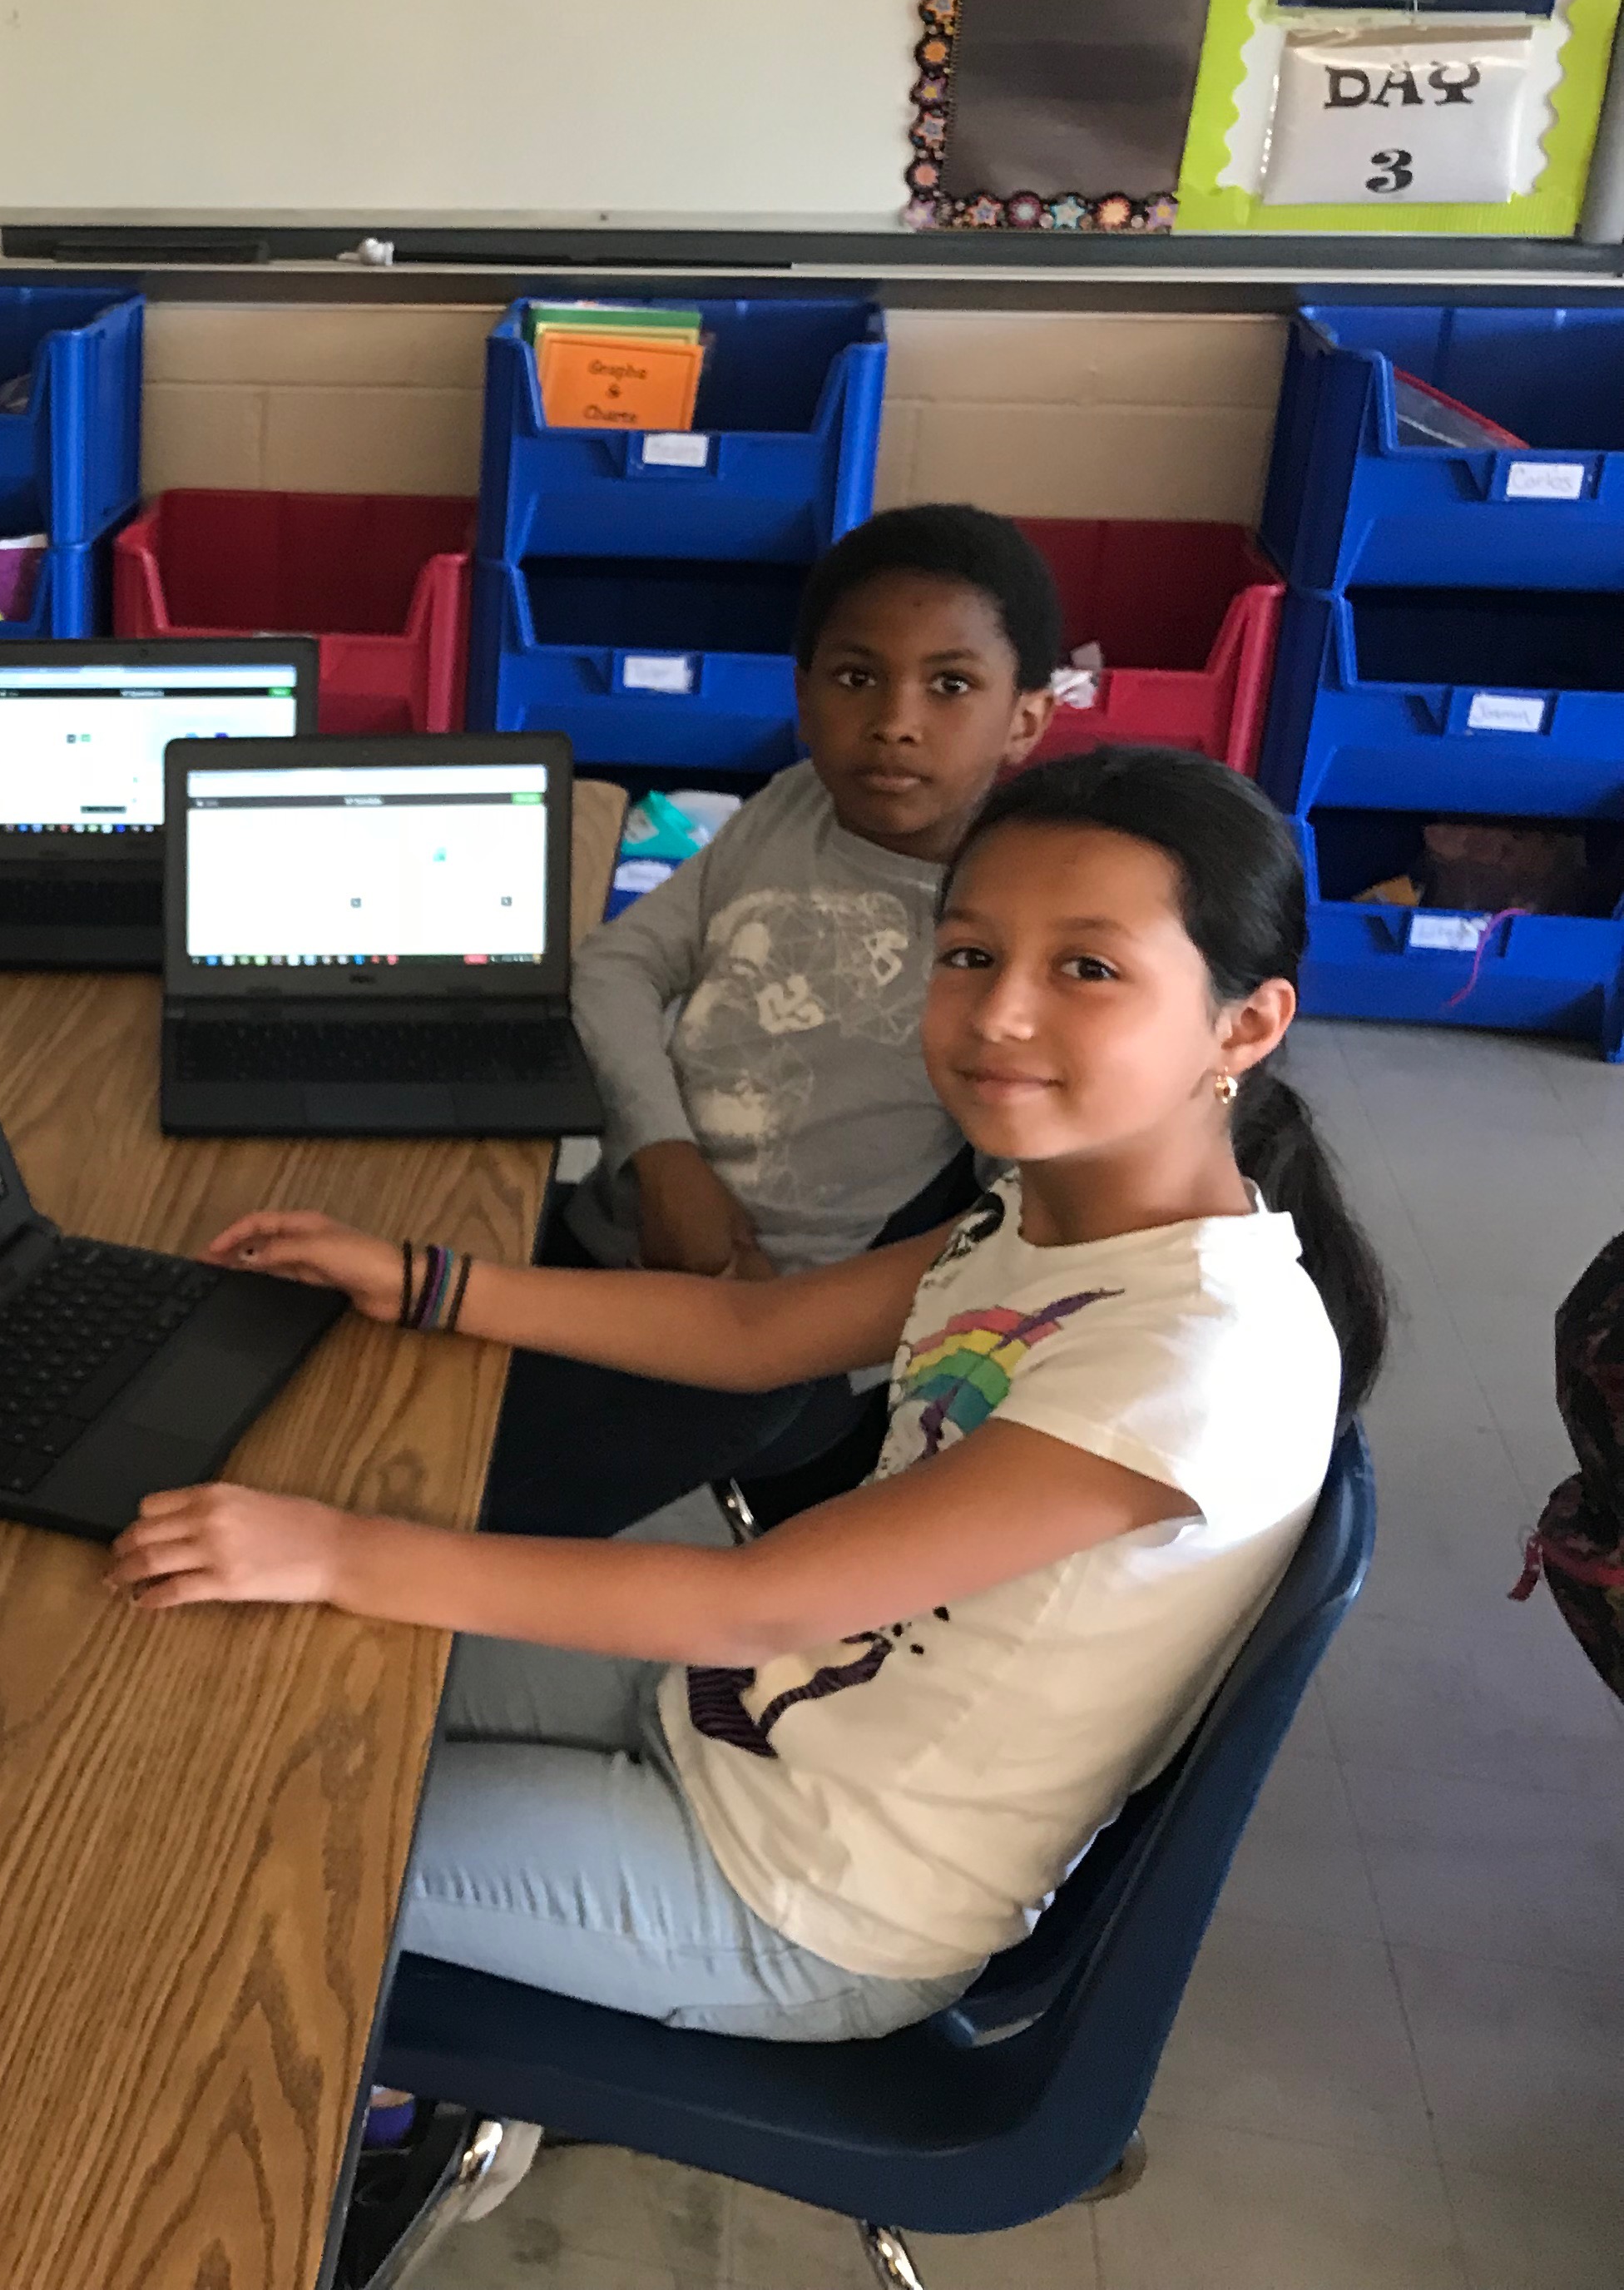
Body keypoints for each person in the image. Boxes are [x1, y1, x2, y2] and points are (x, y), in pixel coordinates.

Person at [110, 746, 1384, 2050]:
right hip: (739, 1718)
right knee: (257, 1681)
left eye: (1088, 969)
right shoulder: (1053, 1210)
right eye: (969, 955)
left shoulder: (1195, 1356)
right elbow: (758, 1327)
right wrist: (427, 1282)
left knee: (237, 1834)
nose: (1001, 1014)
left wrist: (332, 1544)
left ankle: (372, 2107)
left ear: (1245, 1024)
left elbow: (750, 1602)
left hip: (806, 1899)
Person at [489, 504, 1063, 1539]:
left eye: (950, 685)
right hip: (623, 1226)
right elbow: (618, 965)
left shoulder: (1015, 921)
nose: (894, 720)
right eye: (855, 678)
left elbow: (1022, 1211)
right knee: (363, 1339)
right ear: (802, 693)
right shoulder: (795, 805)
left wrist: (750, 1283)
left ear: (1026, 719)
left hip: (768, 1332)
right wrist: (664, 1160)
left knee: (440, 1502)